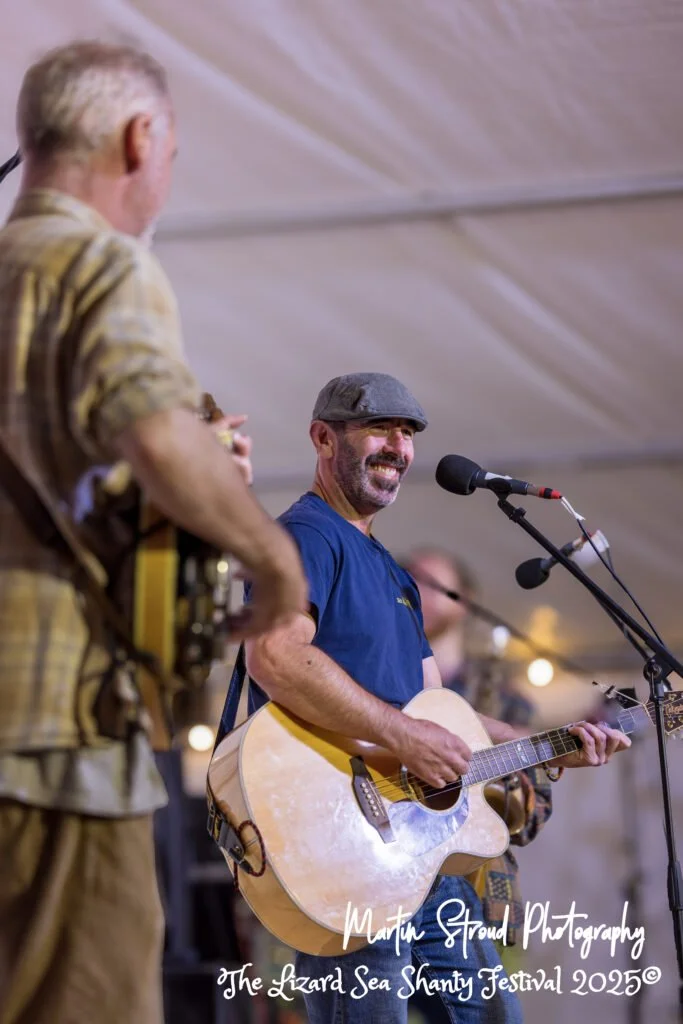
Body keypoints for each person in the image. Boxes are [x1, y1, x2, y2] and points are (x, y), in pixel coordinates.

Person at [0, 41, 307, 1024]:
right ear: (142, 139)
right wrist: (271, 558)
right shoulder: (99, 260)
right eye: (171, 154)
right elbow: (150, 424)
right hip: (54, 729)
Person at [231, 371, 630, 1024]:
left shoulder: (392, 572)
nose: (397, 444)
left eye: (408, 433)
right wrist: (403, 736)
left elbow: (444, 716)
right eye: (378, 429)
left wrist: (549, 748)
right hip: (345, 853)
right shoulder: (304, 536)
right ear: (322, 438)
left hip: (424, 858)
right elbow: (274, 655)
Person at [404, 547, 552, 1017]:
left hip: (483, 900)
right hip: (389, 887)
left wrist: (493, 791)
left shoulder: (508, 703)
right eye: (410, 582)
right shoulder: (383, 689)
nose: (418, 591)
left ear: (464, 600)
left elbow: (533, 817)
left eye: (433, 583)